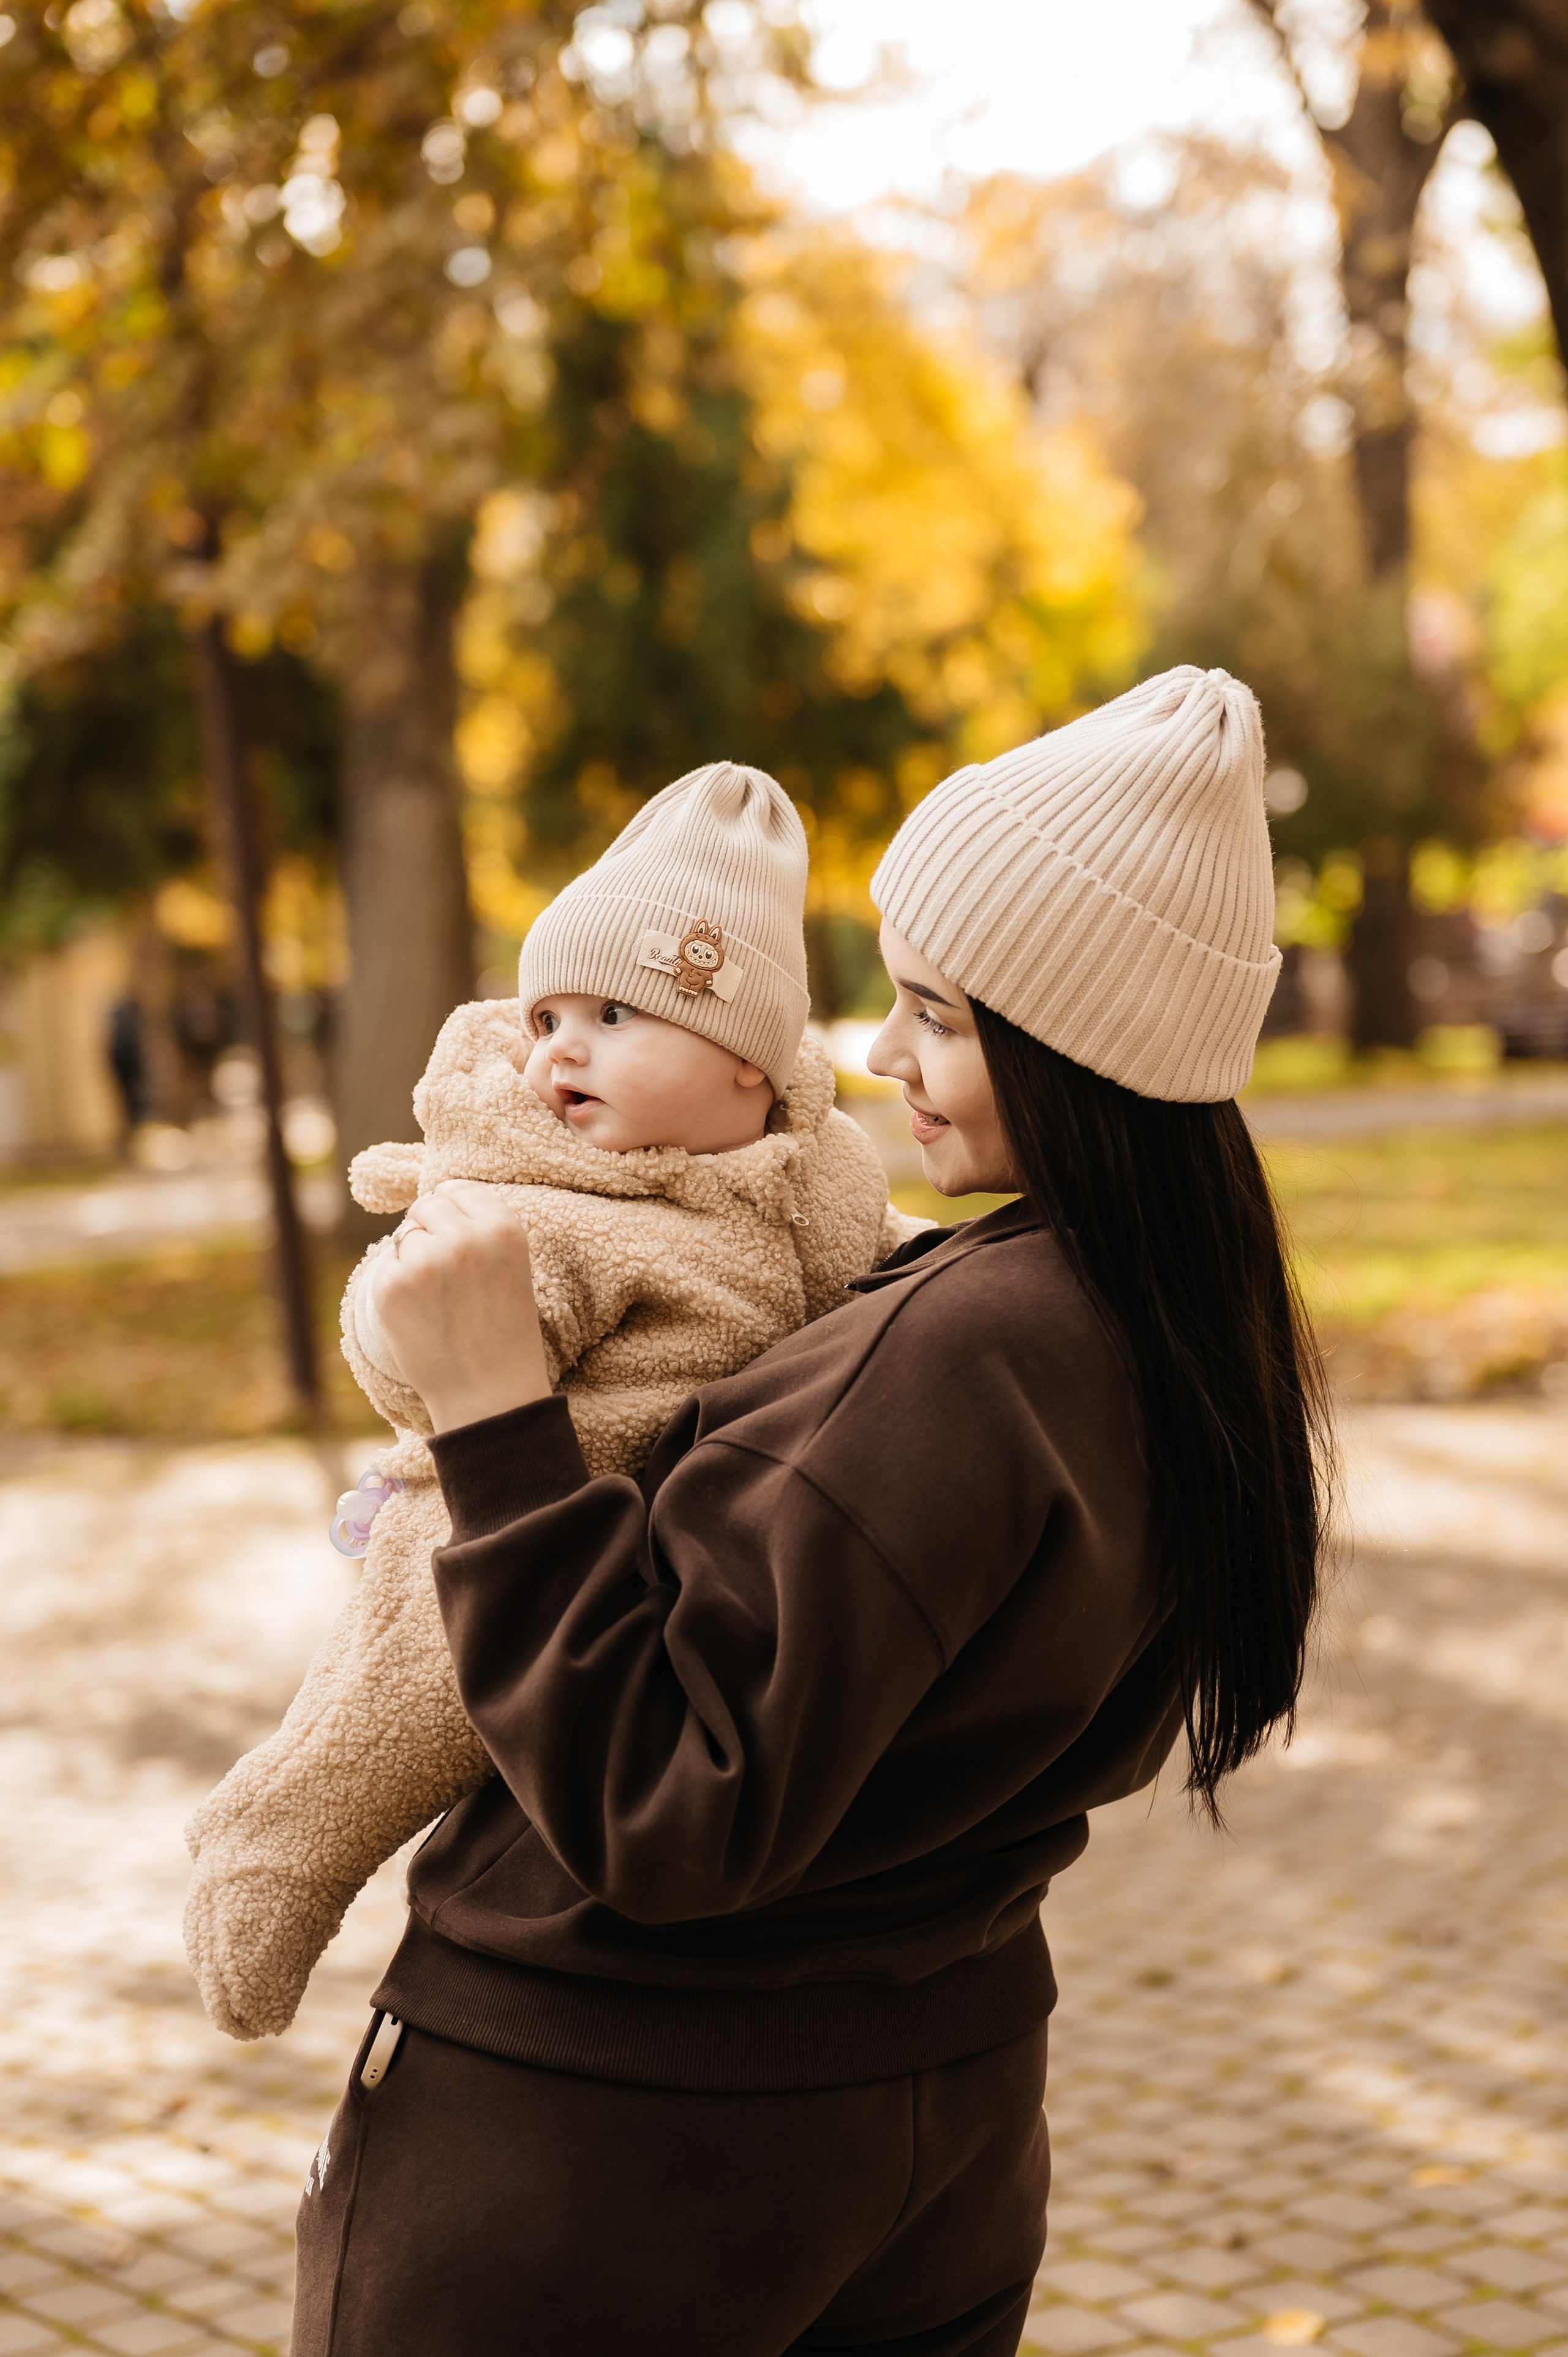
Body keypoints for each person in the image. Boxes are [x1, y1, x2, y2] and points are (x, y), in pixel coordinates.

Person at [291, 666, 1330, 2357]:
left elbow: (666, 1806)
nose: (875, 1054)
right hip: (937, 2125)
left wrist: (492, 1415)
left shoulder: (968, 1358)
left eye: (944, 1015)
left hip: (612, 2150)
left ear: (1083, 1047)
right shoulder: (1173, 1330)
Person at [184, 761, 919, 2042]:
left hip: (672, 1541)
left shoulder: (815, 1171)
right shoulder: (543, 1198)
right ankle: (275, 1839)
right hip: (501, 1502)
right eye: (549, 1016)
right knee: (400, 1708)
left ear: (753, 1066)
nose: (564, 1048)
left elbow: (888, 1259)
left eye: (620, 1017)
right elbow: (409, 1321)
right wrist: (438, 1334)